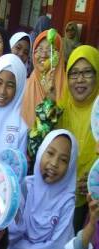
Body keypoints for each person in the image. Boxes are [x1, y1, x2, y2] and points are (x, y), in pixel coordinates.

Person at [8, 130, 78, 249]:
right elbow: (8, 236)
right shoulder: (24, 187)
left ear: (71, 166)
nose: (54, 163)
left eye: (64, 160)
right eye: (50, 153)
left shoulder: (67, 202)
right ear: (40, 152)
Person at [58, 45, 99, 230]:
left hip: (92, 208)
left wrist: (95, 181)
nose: (80, 80)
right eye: (73, 73)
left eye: (87, 72)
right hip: (57, 198)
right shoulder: (57, 110)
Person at [21, 30, 66, 128]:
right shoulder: (24, 86)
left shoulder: (68, 89)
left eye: (50, 50)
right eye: (40, 49)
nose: (44, 55)